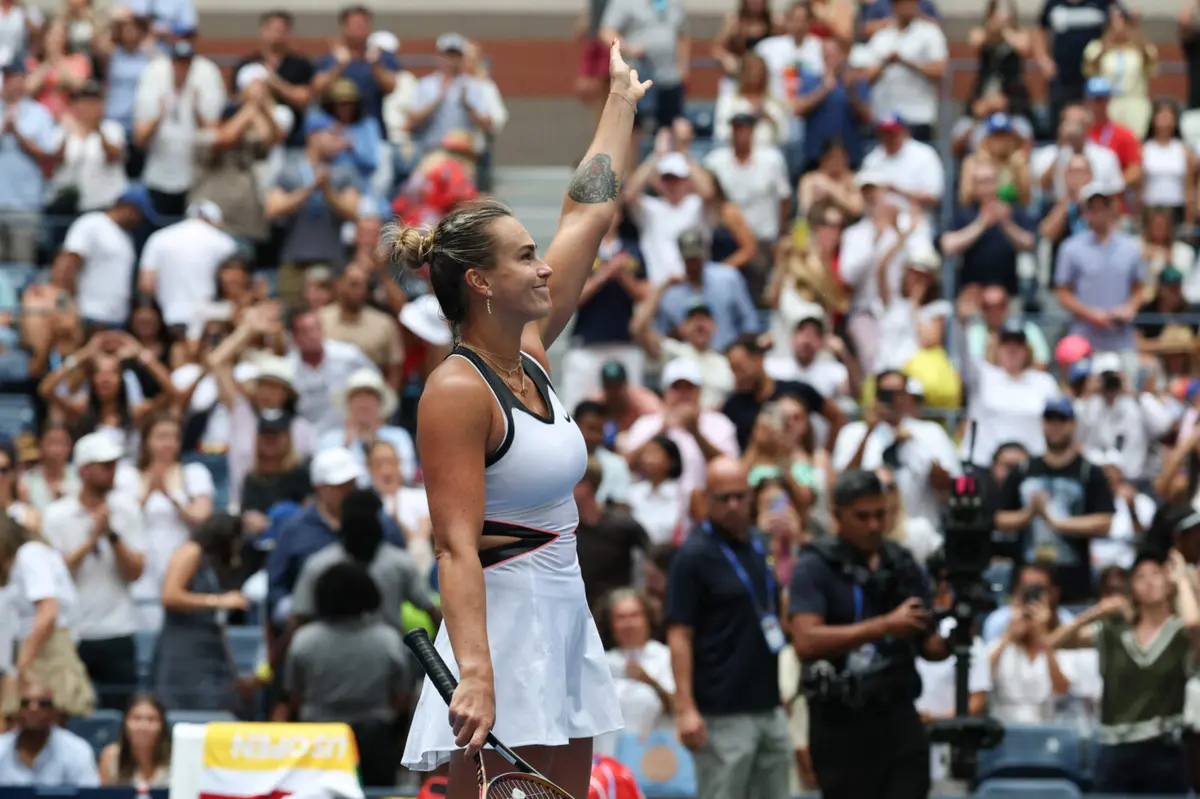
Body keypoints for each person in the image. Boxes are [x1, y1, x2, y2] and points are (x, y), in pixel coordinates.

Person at [395, 43, 649, 799]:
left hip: (563, 612)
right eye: (526, 257)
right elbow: (453, 544)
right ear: (480, 281)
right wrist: (475, 671)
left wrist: (620, 105)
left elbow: (591, 208)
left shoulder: (531, 351)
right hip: (502, 628)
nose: (545, 267)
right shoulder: (455, 391)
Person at [789, 468, 950, 799]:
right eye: (862, 517)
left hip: (898, 713)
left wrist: (958, 630)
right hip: (841, 721)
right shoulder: (816, 565)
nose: (874, 526)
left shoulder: (902, 563)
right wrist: (884, 626)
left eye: (881, 515)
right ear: (837, 516)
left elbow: (929, 647)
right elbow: (806, 641)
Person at [664, 457, 791, 799]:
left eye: (740, 496)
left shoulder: (757, 543)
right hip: (719, 712)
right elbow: (679, 634)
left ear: (751, 496)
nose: (733, 505)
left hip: (768, 704)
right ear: (706, 499)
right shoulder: (693, 555)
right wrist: (685, 707)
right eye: (723, 498)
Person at [1050, 549, 1200, 795]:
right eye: (1141, 576)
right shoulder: (1114, 632)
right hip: (1115, 746)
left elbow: (1194, 622)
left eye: (1156, 574)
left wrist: (1183, 578)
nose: (1149, 581)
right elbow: (1055, 642)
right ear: (1132, 588)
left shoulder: (1178, 633)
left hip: (1163, 747)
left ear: (1168, 581)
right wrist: (1095, 612)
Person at [98, 693, 171, 788]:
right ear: (125, 724)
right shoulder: (111, 757)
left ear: (162, 725)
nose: (143, 727)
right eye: (137, 718)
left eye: (151, 719)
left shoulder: (177, 757)